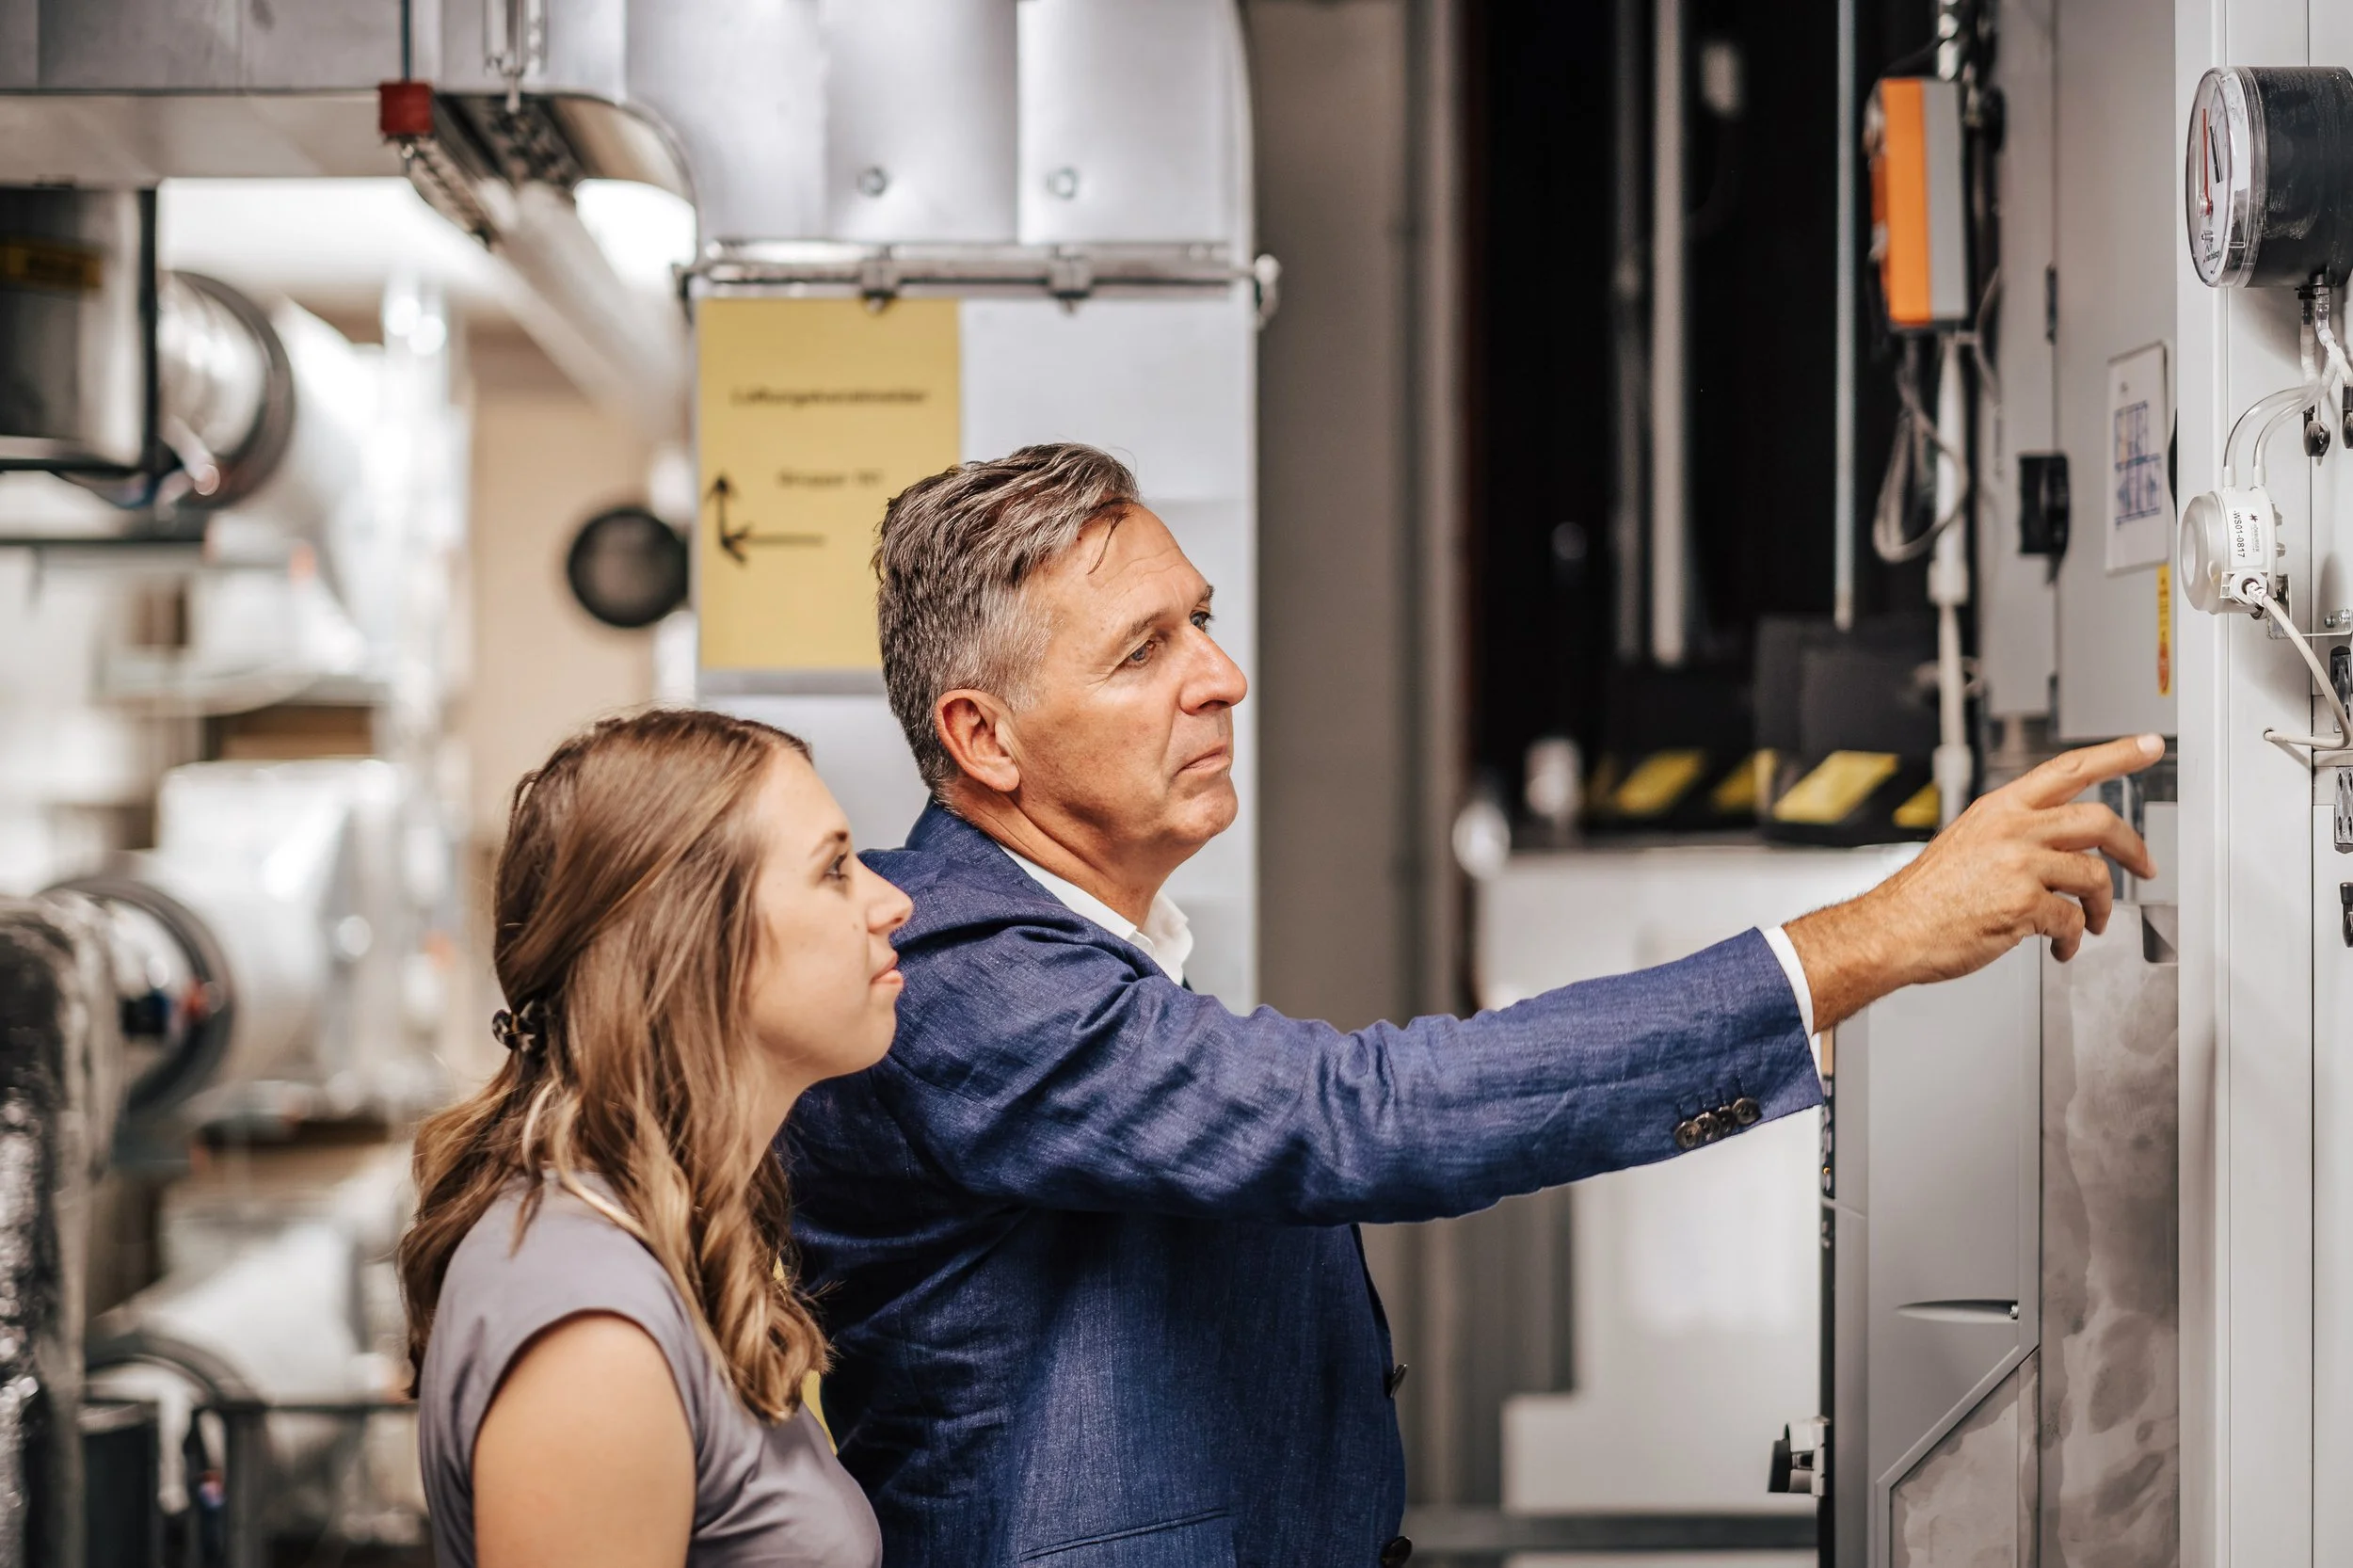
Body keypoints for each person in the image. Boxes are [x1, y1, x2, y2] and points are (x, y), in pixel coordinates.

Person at [785, 443, 2158, 1568]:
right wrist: (1868, 938)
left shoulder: (1078, 941)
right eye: (1143, 648)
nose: (1220, 674)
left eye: (1200, 618)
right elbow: (1361, 1118)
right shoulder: (959, 972)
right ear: (983, 737)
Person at [398, 709, 912, 1568]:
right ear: (696, 940)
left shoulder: (651, 1247)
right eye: (834, 869)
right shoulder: (593, 1334)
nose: (892, 901)